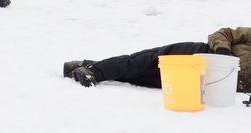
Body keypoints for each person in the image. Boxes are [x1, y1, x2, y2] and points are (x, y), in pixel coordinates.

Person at [64, 26, 251, 92]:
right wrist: (222, 52)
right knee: (144, 61)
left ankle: (89, 65)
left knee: (141, 77)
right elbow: (223, 33)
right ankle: (95, 71)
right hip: (201, 53)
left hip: (209, 83)